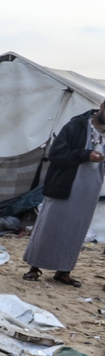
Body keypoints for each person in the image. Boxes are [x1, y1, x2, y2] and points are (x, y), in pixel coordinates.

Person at [22, 102, 105, 288]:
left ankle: (63, 272)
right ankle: (34, 268)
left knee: (75, 231)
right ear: (102, 106)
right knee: (49, 226)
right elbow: (56, 153)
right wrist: (85, 154)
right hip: (65, 185)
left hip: (89, 190)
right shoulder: (77, 125)